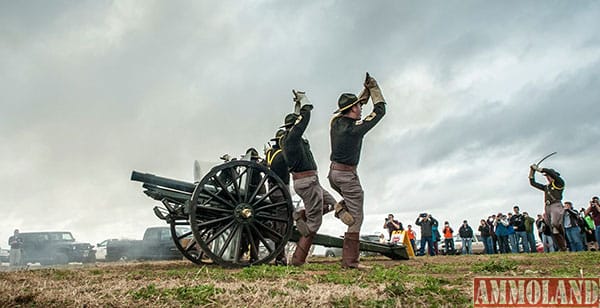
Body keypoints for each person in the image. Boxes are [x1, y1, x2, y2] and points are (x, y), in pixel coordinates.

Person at [328, 73, 386, 269]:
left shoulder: (336, 122)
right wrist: (375, 88)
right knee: (357, 218)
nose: (361, 108)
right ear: (353, 109)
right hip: (347, 176)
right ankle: (351, 261)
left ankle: (340, 207)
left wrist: (366, 91)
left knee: (352, 209)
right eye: (359, 107)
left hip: (333, 174)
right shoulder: (354, 129)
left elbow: (357, 105)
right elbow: (380, 111)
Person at [282, 91, 337, 266]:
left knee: (333, 203)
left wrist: (297, 104)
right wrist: (304, 100)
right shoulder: (292, 139)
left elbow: (298, 118)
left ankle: (301, 214)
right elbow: (304, 117)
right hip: (308, 182)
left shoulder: (290, 138)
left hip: (310, 180)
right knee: (314, 224)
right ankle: (298, 260)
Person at [265, 129, 291, 265]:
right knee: (282, 224)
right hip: (281, 191)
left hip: (271, 190)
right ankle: (280, 257)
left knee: (278, 222)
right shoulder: (283, 154)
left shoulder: (270, 153)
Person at [529, 165, 567, 251]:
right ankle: (562, 247)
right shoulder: (546, 187)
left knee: (555, 223)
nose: (548, 178)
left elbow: (550, 173)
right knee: (553, 229)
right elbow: (533, 183)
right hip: (547, 206)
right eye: (547, 176)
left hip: (556, 205)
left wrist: (539, 169)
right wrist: (532, 172)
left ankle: (565, 239)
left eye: (549, 176)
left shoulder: (559, 183)